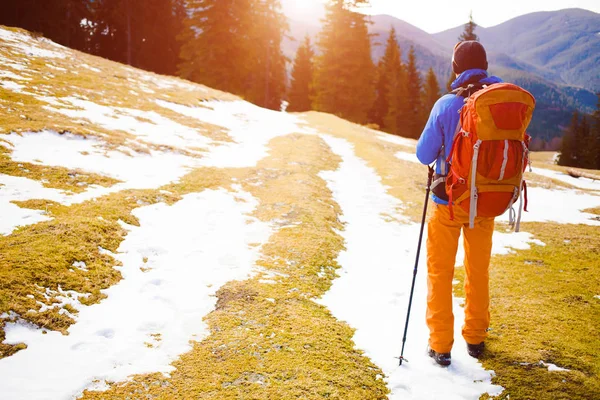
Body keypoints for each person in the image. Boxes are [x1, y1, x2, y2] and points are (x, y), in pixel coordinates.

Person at [416, 41, 502, 367]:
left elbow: (424, 154)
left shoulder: (446, 105)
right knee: (478, 271)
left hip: (448, 203)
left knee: (440, 272)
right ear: (486, 65)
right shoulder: (497, 102)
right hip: (486, 204)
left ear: (455, 68)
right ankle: (476, 338)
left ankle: (440, 346)